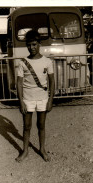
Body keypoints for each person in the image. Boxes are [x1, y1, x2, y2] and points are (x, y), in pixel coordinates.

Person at [15, 30, 55, 162]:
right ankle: (25, 150)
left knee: (41, 125)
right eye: (28, 45)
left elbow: (52, 82)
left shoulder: (47, 62)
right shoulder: (22, 63)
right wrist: (21, 102)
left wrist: (50, 100)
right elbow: (19, 83)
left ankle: (42, 149)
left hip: (42, 98)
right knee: (26, 126)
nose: (31, 48)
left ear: (39, 44)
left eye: (33, 44)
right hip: (27, 99)